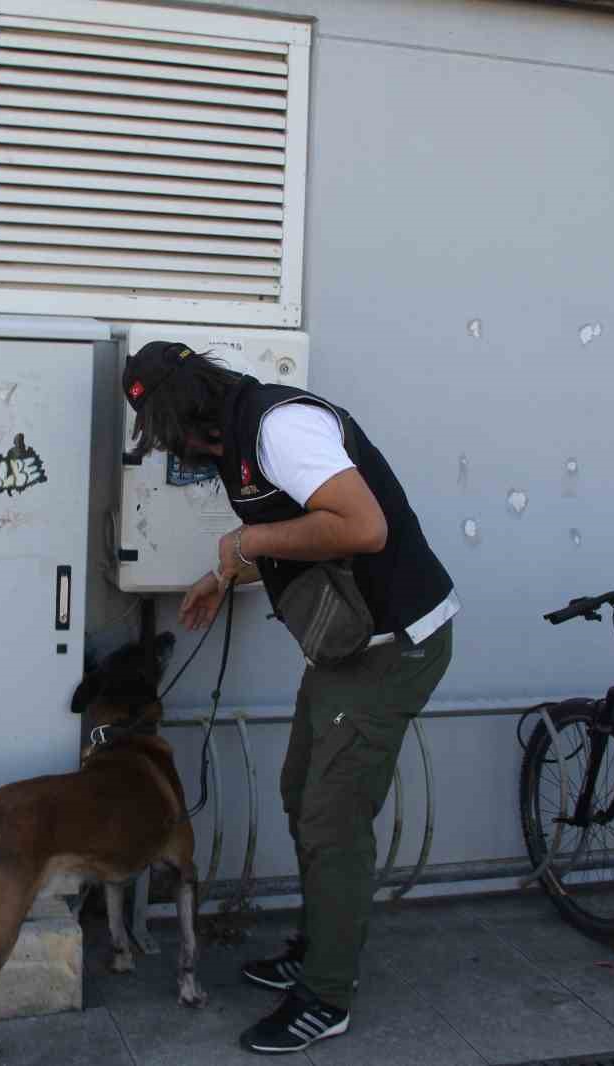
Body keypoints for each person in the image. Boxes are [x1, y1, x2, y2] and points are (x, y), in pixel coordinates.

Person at [122, 341, 458, 1055]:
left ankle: (328, 995)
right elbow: (289, 535)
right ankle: (319, 945)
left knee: (332, 816)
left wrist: (247, 543)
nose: (169, 448)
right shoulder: (230, 441)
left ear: (183, 410)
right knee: (301, 790)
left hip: (394, 646)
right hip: (346, 651)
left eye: (161, 430)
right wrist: (225, 576)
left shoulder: (278, 427)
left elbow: (363, 527)